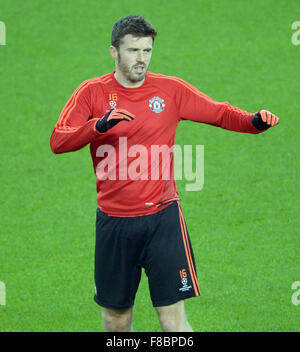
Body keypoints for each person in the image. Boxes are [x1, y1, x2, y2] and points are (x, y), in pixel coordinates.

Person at [50, 15, 279, 332]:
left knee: (172, 317)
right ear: (114, 52)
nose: (141, 58)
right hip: (114, 223)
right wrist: (98, 126)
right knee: (115, 320)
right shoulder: (91, 92)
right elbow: (58, 140)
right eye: (133, 50)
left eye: (147, 50)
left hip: (163, 220)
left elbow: (219, 113)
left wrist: (253, 123)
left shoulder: (170, 90)